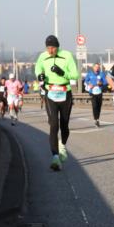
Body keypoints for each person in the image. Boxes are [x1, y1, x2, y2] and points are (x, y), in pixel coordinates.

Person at [35, 35, 80, 171]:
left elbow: (75, 75)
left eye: (52, 47)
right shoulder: (43, 56)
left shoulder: (66, 55)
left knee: (64, 124)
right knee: (53, 124)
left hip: (65, 92)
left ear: (57, 46)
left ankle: (62, 145)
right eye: (48, 48)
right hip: (51, 93)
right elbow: (38, 69)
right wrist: (39, 76)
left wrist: (62, 73)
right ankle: (55, 156)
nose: (50, 50)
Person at [84, 62, 109, 127]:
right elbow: (86, 81)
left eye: (98, 67)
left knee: (99, 106)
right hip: (92, 92)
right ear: (93, 67)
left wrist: (101, 83)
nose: (97, 68)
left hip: (99, 92)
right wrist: (89, 84)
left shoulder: (102, 74)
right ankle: (96, 120)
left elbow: (105, 82)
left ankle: (97, 119)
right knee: (94, 106)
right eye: (96, 67)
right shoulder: (90, 74)